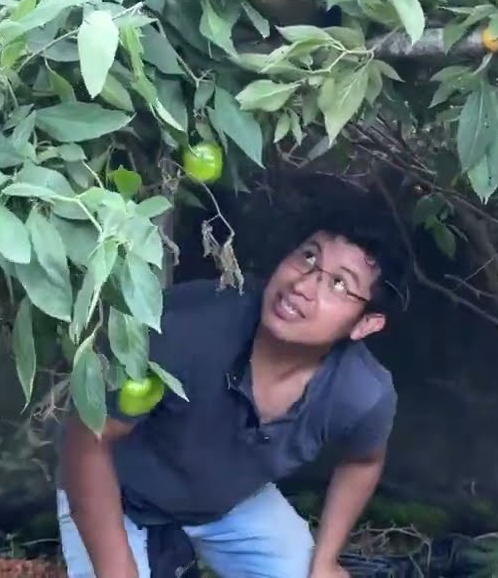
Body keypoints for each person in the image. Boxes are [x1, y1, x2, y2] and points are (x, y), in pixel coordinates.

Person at [55, 194, 408, 578]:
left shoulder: (362, 393)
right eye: (308, 257)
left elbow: (363, 462)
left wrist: (325, 559)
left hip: (228, 504)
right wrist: (117, 569)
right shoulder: (190, 326)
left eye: (339, 284)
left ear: (366, 324)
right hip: (117, 494)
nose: (303, 285)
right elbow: (89, 440)